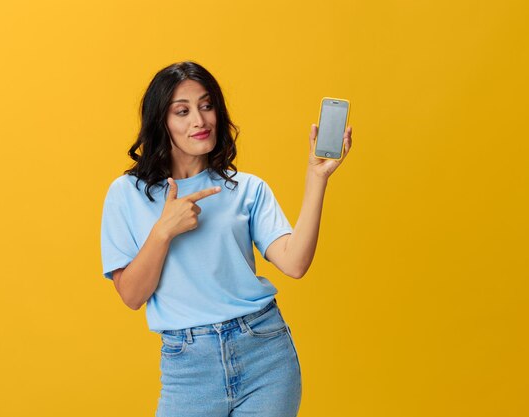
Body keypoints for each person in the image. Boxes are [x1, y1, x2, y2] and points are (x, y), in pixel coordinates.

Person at [100, 61, 352, 417]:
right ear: (162, 122)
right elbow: (131, 295)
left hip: (264, 353)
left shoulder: (246, 188)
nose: (199, 121)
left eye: (206, 106)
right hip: (189, 368)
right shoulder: (127, 193)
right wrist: (163, 231)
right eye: (182, 111)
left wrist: (317, 177)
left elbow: (295, 263)